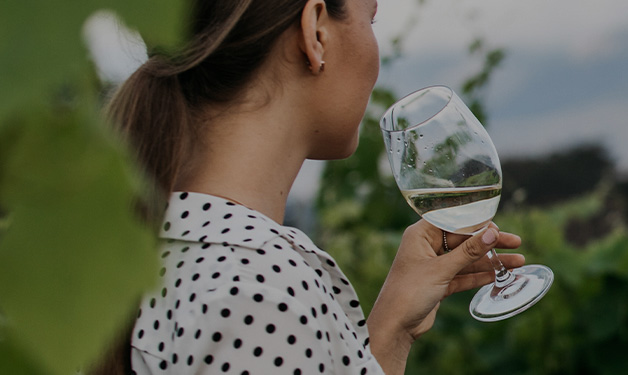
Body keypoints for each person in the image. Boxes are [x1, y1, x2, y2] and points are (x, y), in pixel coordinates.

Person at [106, 0, 526, 373]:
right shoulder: (260, 293)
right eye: (371, 20)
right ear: (316, 31)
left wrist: (390, 332)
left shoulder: (166, 250)